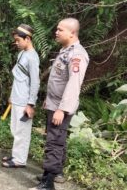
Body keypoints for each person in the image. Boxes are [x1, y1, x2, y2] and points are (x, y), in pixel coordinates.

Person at [30, 18, 89, 190]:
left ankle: (47, 184)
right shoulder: (65, 50)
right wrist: (49, 102)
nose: (56, 32)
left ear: (72, 33)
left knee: (54, 142)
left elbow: (73, 84)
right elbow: (58, 80)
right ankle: (53, 174)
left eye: (60, 30)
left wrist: (61, 109)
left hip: (60, 107)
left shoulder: (77, 54)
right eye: (57, 29)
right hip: (54, 104)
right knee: (56, 140)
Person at [1, 24, 40, 168]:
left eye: (18, 40)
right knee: (15, 129)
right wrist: (12, 96)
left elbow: (35, 82)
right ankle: (16, 155)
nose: (16, 43)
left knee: (22, 132)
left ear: (28, 39)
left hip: (24, 101)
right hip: (17, 98)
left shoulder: (32, 58)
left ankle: (20, 160)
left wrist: (31, 104)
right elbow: (18, 78)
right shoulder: (22, 53)